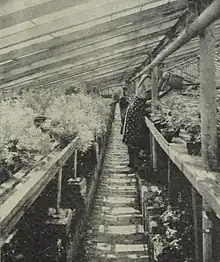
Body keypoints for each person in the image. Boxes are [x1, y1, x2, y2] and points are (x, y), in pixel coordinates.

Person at [122, 75, 151, 173]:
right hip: (136, 110)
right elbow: (149, 95)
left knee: (133, 137)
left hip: (136, 108)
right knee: (134, 137)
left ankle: (133, 164)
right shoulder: (148, 78)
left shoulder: (146, 77)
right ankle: (134, 165)